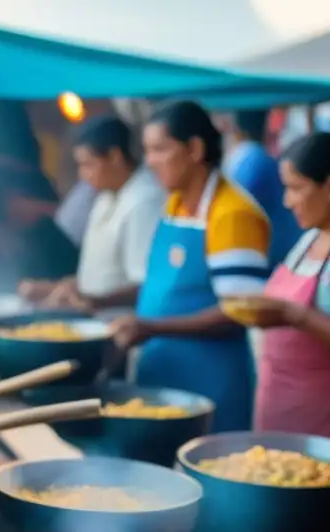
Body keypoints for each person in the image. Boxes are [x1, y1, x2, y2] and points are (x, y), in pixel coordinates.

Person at [112, 100, 272, 433]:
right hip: (161, 380)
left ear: (195, 149)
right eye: (147, 150)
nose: (149, 161)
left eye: (159, 149)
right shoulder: (175, 203)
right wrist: (96, 300)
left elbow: (239, 311)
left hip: (209, 385)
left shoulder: (232, 214)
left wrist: (153, 328)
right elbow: (164, 286)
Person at [247, 133, 330, 451]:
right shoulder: (310, 239)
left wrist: (296, 316)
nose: (287, 201)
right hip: (283, 416)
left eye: (296, 188)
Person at [20, 115, 164, 315]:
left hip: (120, 328)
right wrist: (55, 288)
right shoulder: (106, 196)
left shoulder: (145, 201)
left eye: (88, 164)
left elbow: (144, 285)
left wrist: (93, 300)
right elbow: (102, 276)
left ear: (115, 157)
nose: (82, 174)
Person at [223, 109, 302, 269]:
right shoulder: (257, 157)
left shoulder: (249, 157)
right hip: (282, 248)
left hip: (270, 254)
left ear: (236, 128)